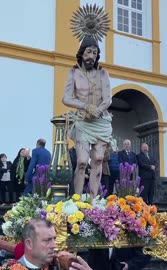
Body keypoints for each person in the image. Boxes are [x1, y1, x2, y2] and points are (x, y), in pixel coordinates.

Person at [62, 34, 113, 198]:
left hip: (101, 121)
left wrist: (98, 109)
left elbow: (108, 99)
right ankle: (77, 199)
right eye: (88, 52)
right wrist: (86, 106)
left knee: (98, 159)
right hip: (83, 121)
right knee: (82, 161)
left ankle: (93, 199)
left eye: (94, 52)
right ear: (82, 52)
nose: (91, 56)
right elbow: (66, 98)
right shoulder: (73, 73)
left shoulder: (103, 74)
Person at [12, 218, 92, 270]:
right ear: (29, 244)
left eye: (54, 239)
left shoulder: (61, 264)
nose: (54, 245)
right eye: (47, 240)